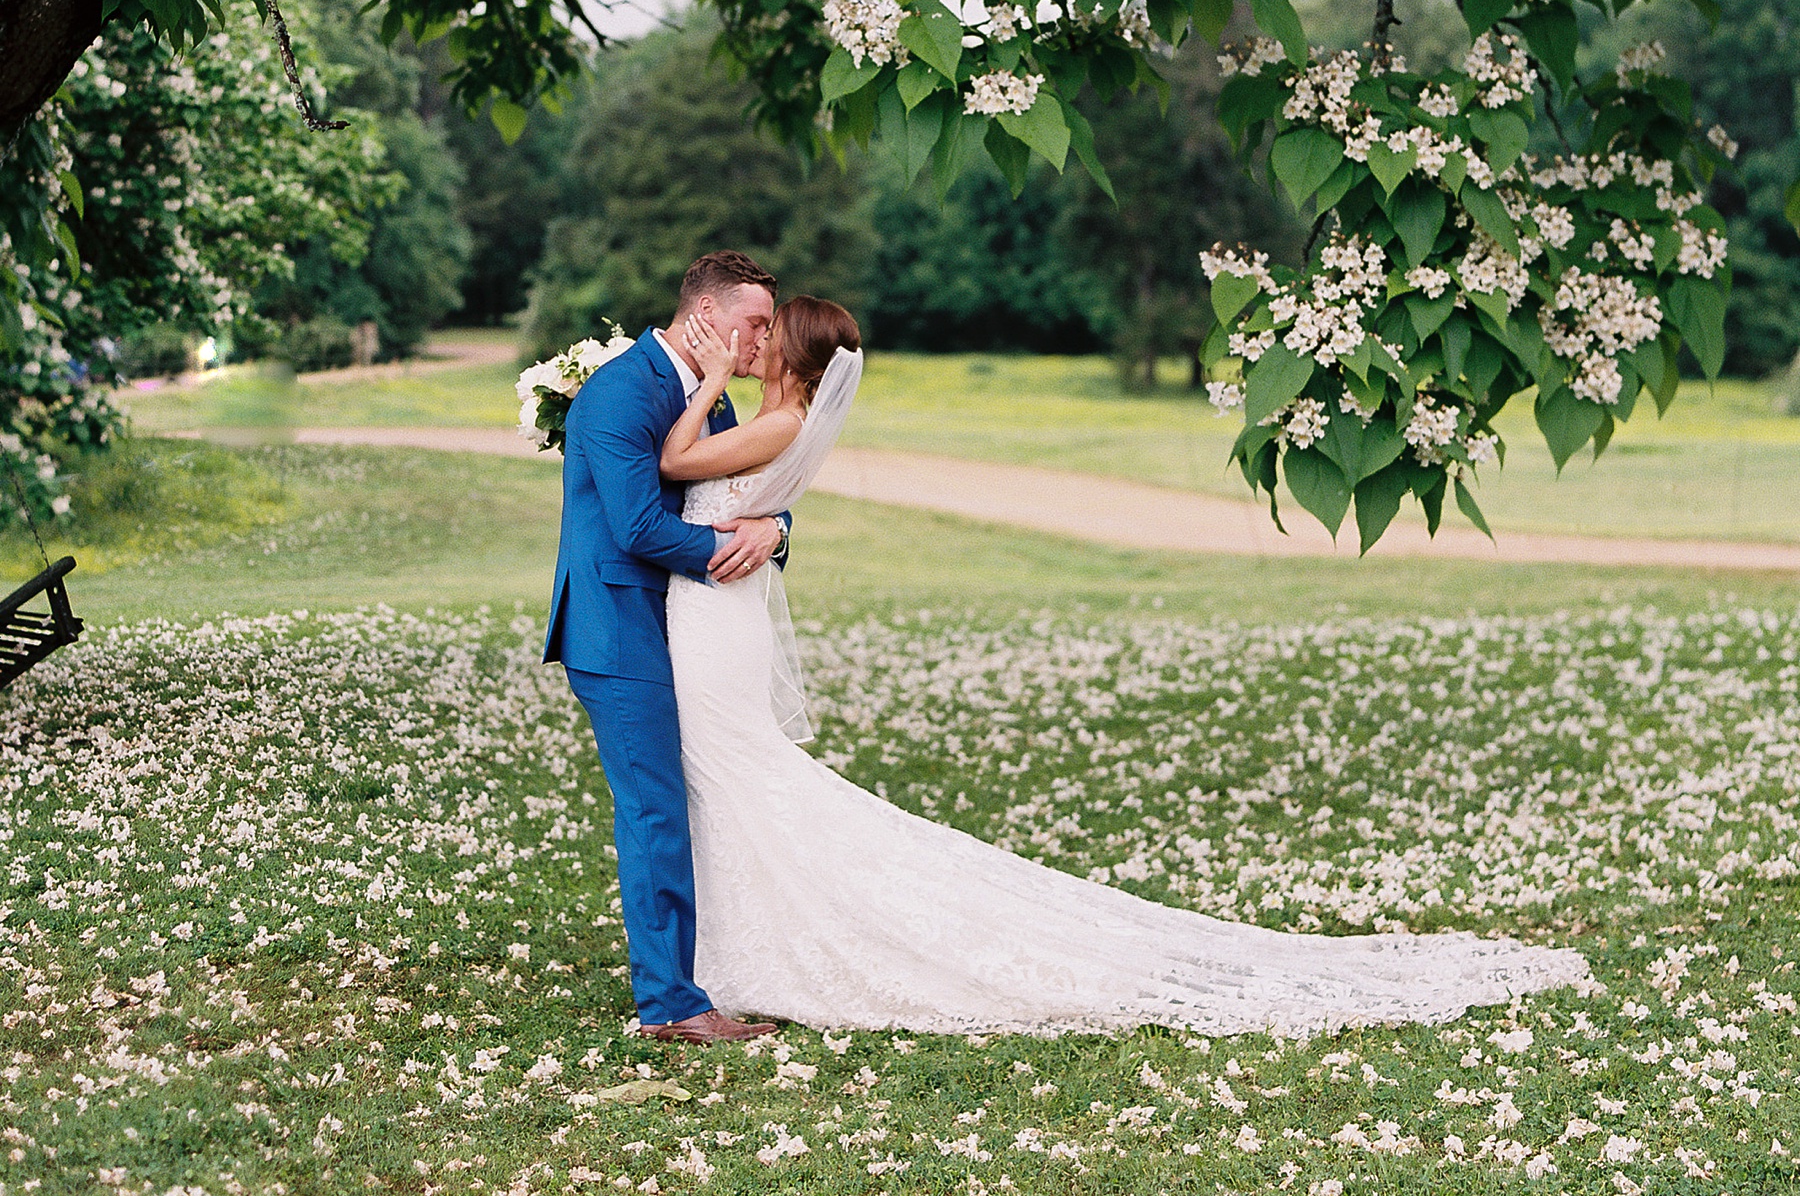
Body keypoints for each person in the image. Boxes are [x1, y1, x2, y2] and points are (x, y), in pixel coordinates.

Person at [657, 297, 1593, 1036]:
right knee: (735, 775)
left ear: (795, 356)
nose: (755, 342)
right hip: (713, 612)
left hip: (716, 619)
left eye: (767, 334)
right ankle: (743, 941)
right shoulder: (778, 420)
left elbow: (676, 458)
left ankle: (765, 944)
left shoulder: (773, 423)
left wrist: (699, 381)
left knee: (739, 768)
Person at [545, 251, 788, 1044]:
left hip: (685, 626)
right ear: (708, 318)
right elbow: (639, 529)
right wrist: (734, 550)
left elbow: (739, 495)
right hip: (616, 627)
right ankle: (671, 1005)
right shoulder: (617, 395)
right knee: (654, 810)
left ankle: (709, 971)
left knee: (704, 798)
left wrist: (773, 531)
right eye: (755, 323)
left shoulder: (707, 404)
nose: (764, 339)